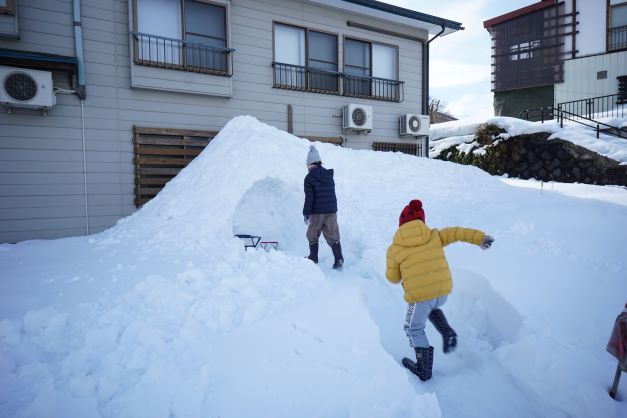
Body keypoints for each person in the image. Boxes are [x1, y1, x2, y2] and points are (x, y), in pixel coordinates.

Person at [385, 199, 494, 381]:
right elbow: (457, 232)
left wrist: (402, 271)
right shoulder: (435, 235)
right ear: (422, 222)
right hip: (442, 291)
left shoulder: (395, 248)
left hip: (419, 296)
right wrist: (480, 238)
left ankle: (424, 369)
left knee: (413, 328)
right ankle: (447, 332)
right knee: (431, 307)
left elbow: (392, 278)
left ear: (401, 224)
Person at [303, 145, 344, 269]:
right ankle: (339, 258)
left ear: (310, 164)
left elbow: (309, 198)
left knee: (312, 233)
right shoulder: (328, 175)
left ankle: (313, 257)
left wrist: (306, 213)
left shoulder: (309, 178)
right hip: (331, 210)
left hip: (317, 211)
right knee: (333, 234)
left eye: (307, 164)